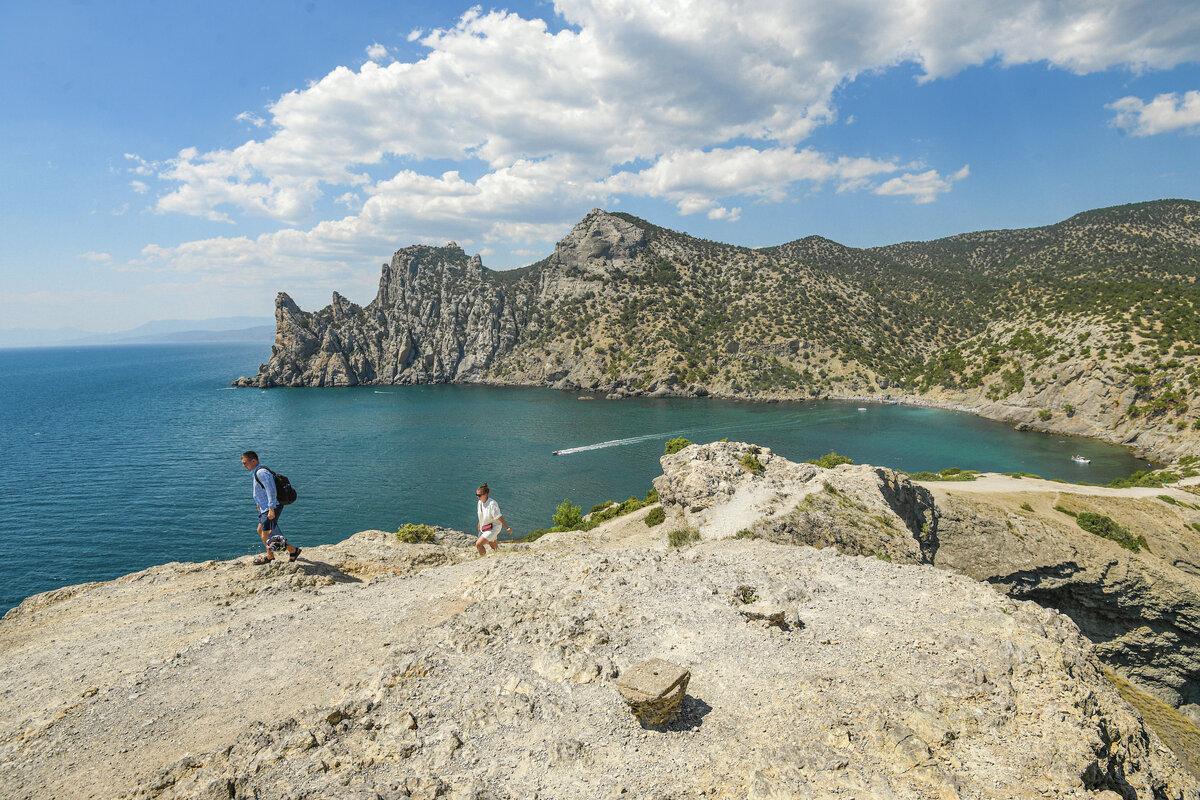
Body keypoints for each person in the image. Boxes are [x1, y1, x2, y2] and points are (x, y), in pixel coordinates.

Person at [241, 450, 301, 564]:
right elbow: (261, 490)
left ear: (253, 460)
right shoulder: (257, 471)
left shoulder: (261, 472)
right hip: (265, 507)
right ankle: (291, 550)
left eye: (245, 463)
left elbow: (271, 490)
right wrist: (259, 503)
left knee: (266, 534)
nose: (244, 466)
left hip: (271, 507)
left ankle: (273, 556)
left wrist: (271, 508)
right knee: (261, 530)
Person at [475, 482, 512, 556]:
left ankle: (483, 559)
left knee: (478, 544)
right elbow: (481, 514)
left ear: (485, 495)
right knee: (494, 548)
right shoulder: (480, 502)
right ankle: (502, 557)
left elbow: (499, 517)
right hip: (486, 527)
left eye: (479, 495)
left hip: (494, 527)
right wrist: (479, 524)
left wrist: (507, 528)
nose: (477, 497)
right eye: (477, 495)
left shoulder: (492, 504)